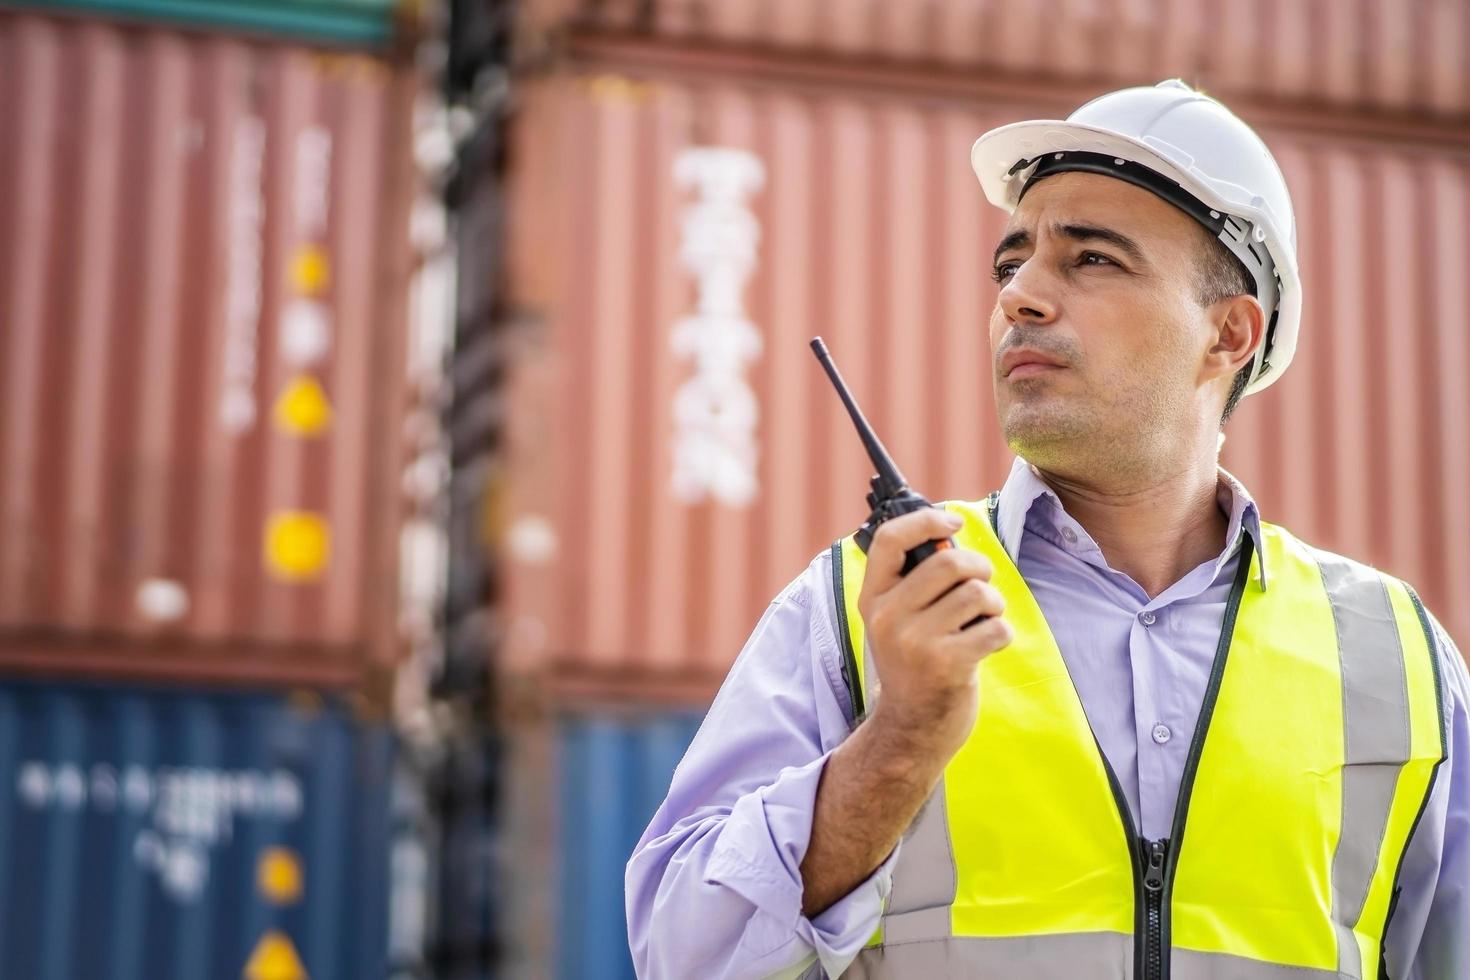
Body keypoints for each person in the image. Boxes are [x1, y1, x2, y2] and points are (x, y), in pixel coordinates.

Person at [624, 80, 1469, 979]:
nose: (1019, 296)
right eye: (1011, 263)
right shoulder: (860, 604)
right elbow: (684, 953)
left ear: (1228, 333)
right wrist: (900, 740)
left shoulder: (1394, 652)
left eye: (1092, 259)